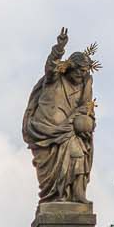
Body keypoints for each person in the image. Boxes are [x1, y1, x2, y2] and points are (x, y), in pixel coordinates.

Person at [22, 28, 98, 204]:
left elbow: (87, 108)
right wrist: (59, 48)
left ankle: (76, 194)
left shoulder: (85, 83)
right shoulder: (55, 77)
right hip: (44, 130)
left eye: (86, 71)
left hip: (69, 131)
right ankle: (56, 195)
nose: (82, 74)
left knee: (78, 153)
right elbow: (50, 66)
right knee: (49, 170)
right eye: (80, 71)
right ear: (71, 67)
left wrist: (87, 122)